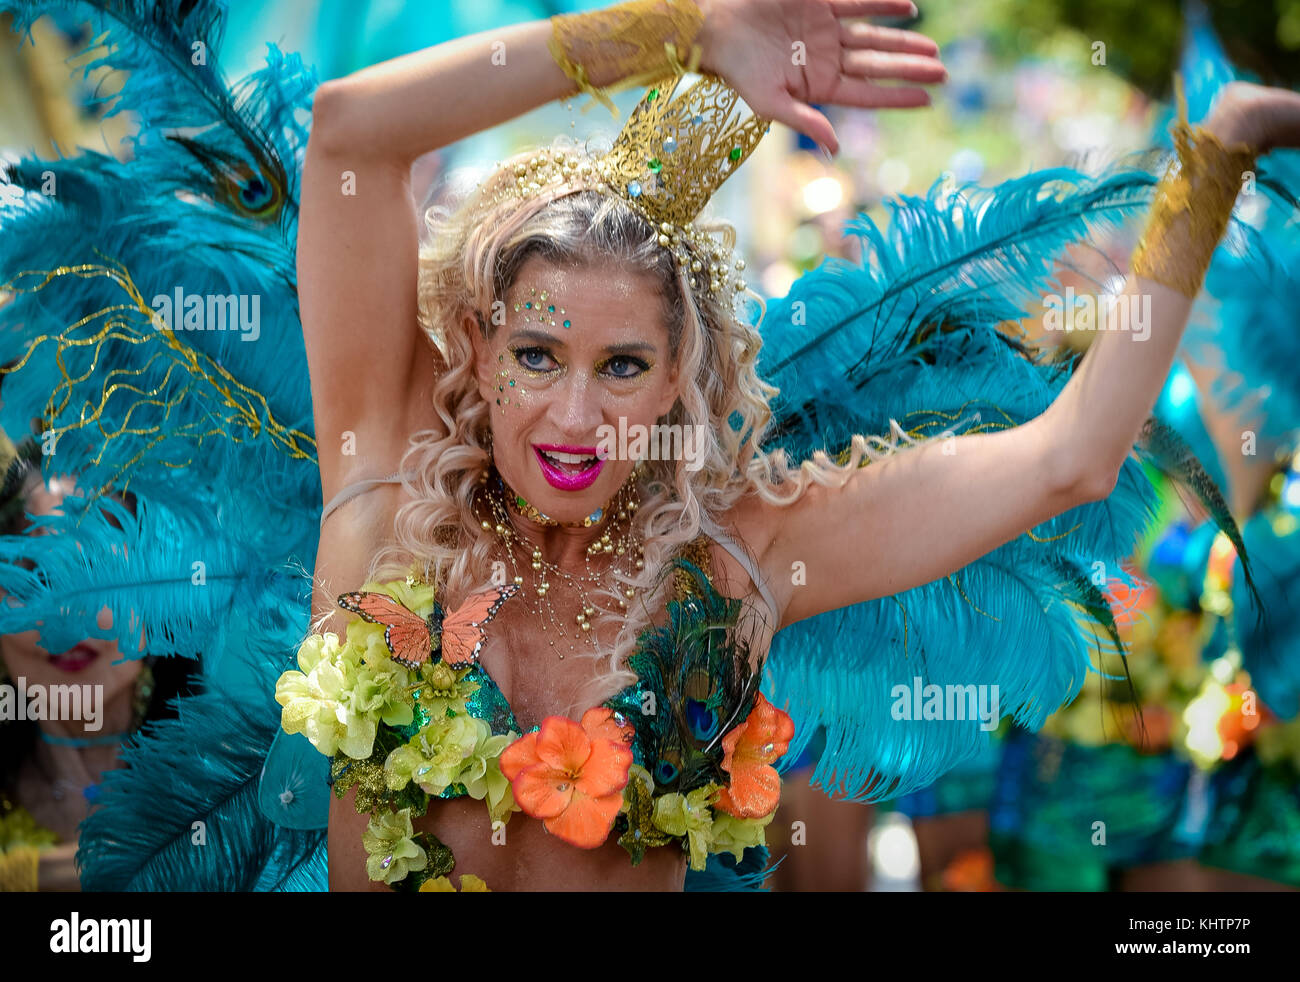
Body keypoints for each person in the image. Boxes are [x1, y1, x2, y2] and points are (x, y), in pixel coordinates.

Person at [292, 0, 1300, 890]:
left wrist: (1210, 163)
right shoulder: (384, 484)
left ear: (683, 374)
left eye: (624, 366)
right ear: (474, 344)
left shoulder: (736, 559)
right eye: (537, 353)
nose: (572, 418)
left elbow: (1067, 458)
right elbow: (348, 135)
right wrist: (686, 31)